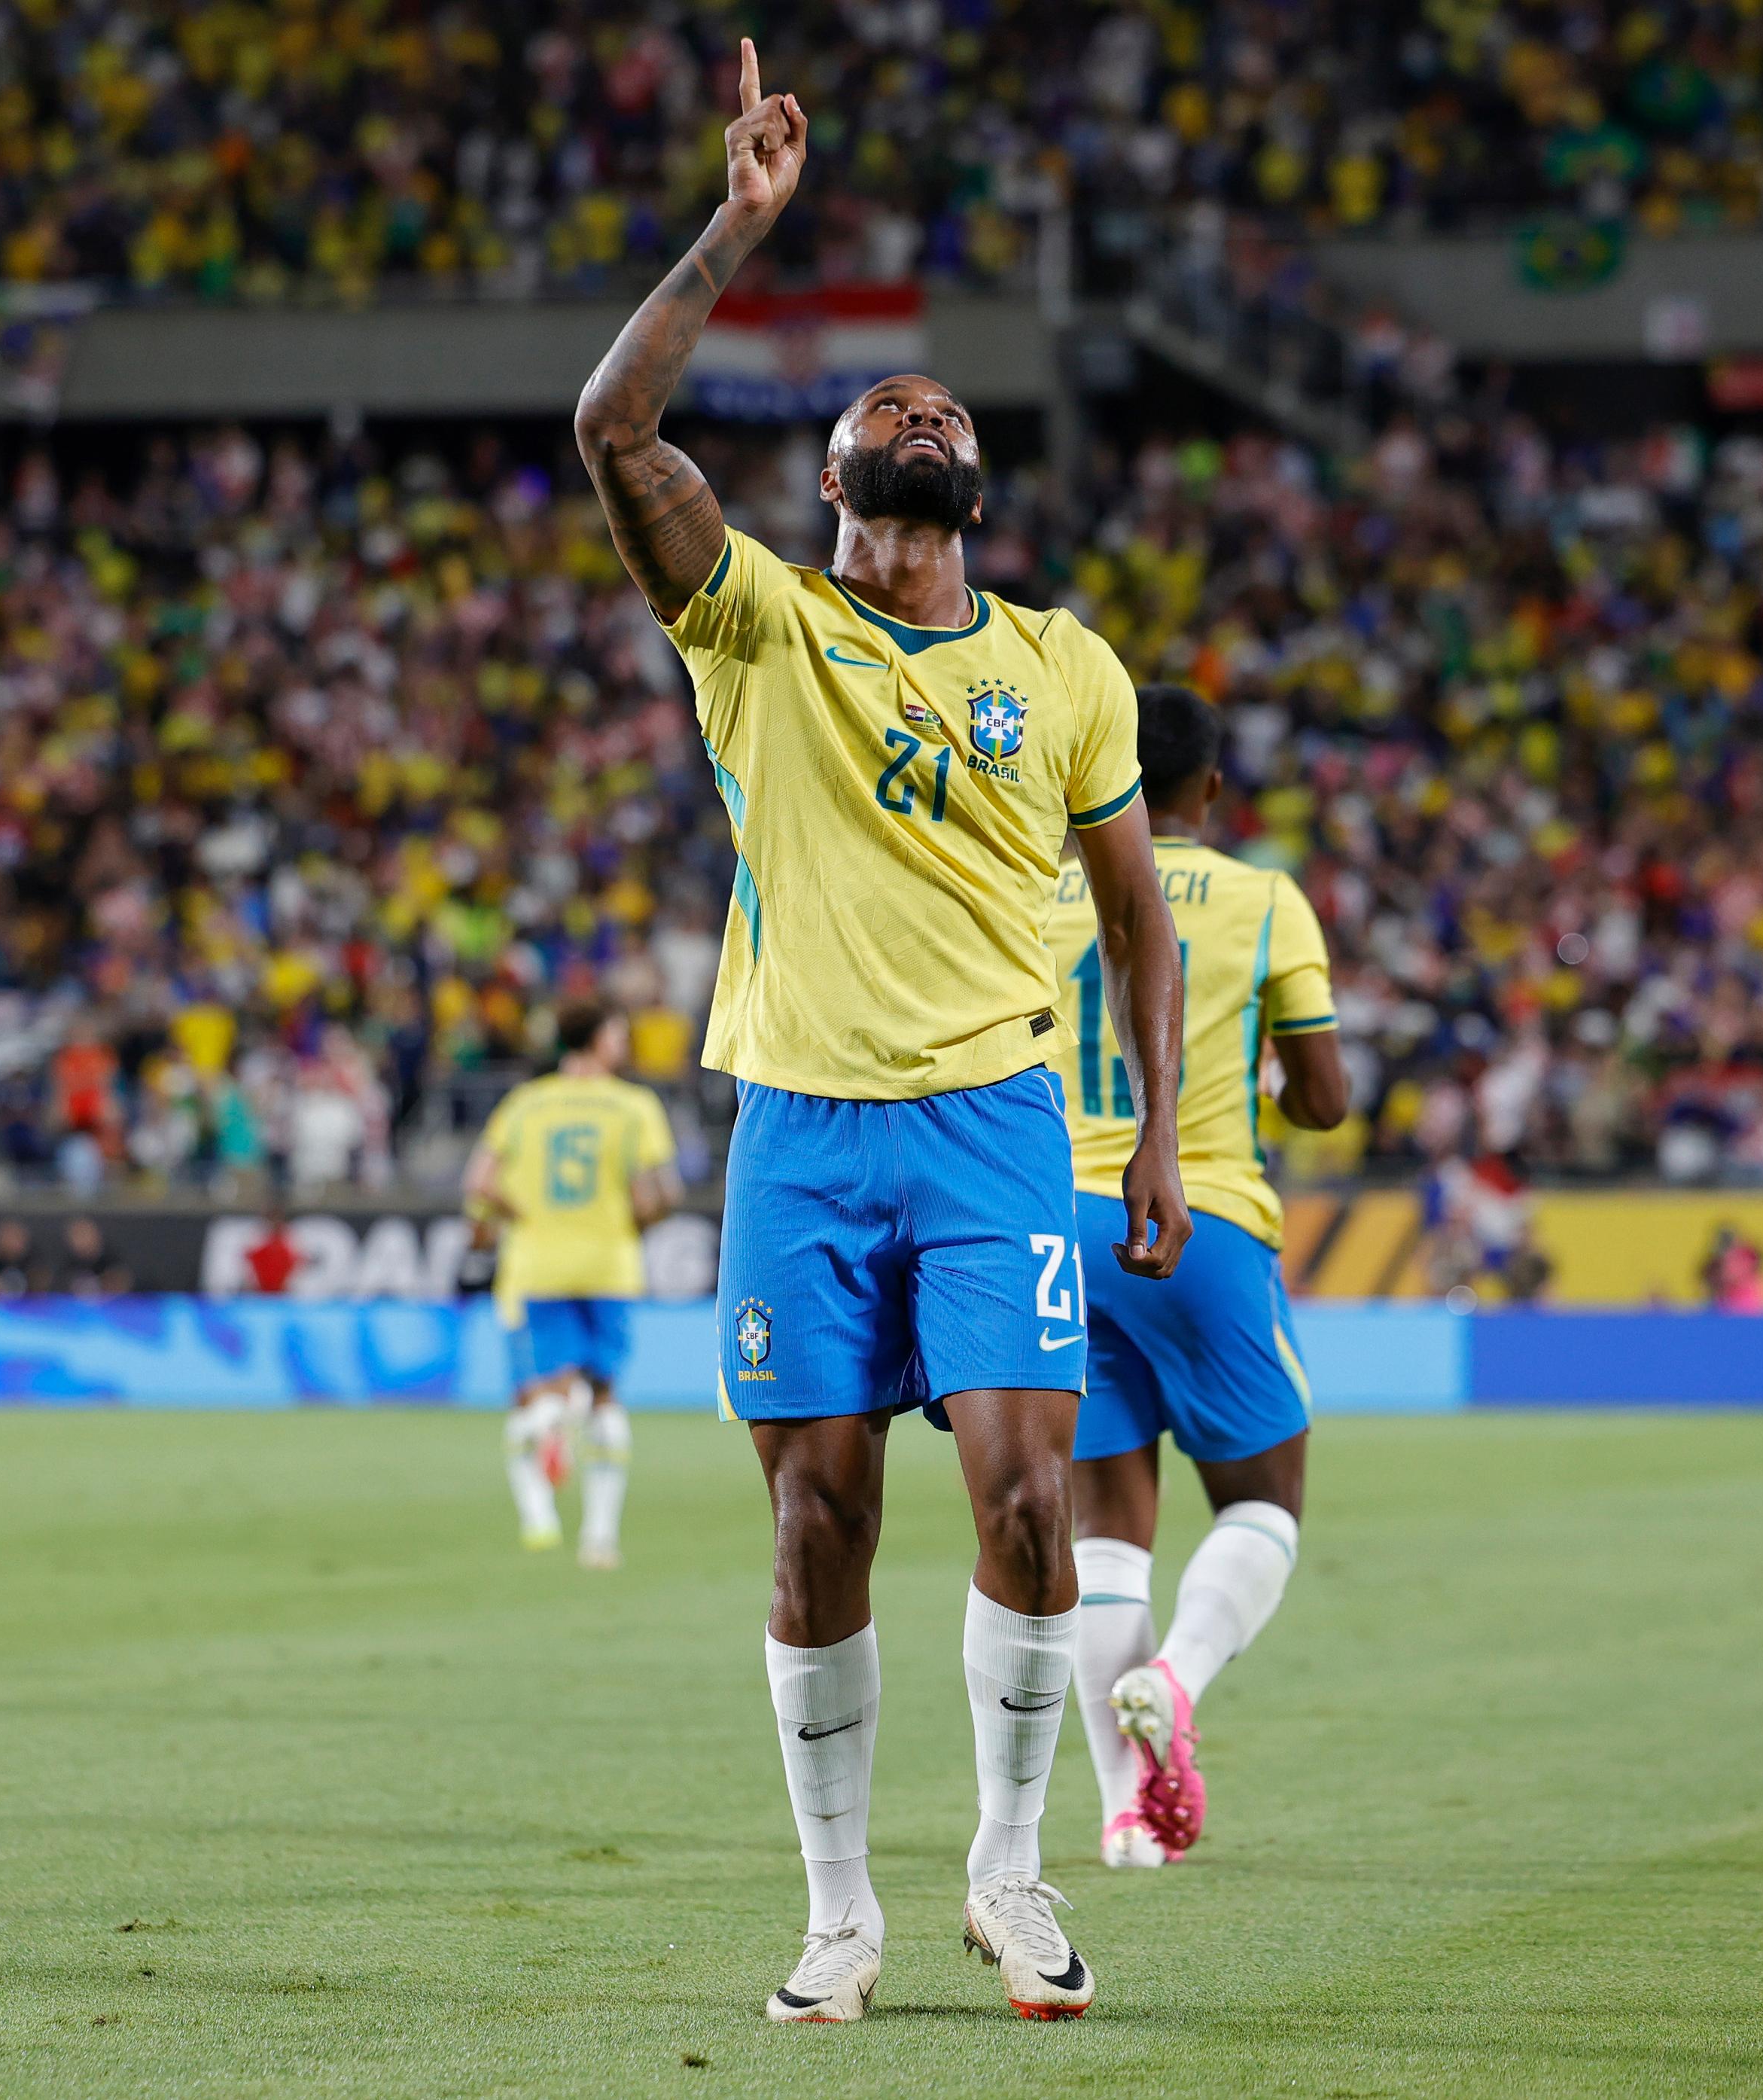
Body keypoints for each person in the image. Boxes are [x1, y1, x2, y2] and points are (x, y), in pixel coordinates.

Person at [574, 38, 1192, 2026]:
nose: (919, 411)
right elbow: (611, 421)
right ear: (838, 480)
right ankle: (838, 1907)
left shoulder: (1062, 664)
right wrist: (740, 228)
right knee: (815, 1503)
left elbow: (1140, 924)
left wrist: (1159, 1135)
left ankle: (1006, 1874)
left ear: (971, 483)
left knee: (1027, 1490)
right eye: (879, 409)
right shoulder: (762, 628)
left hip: (1000, 1123)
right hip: (804, 1131)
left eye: (946, 406)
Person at [1041, 686, 1346, 1871]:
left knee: (1107, 1536)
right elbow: (1323, 1099)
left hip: (1057, 1228)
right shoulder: (1267, 901)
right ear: (1211, 790)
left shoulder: (1035, 894)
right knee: (1263, 1501)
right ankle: (1180, 1674)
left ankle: (1126, 1818)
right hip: (1198, 1212)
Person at [461, 1001, 680, 1568]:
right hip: (609, 1264)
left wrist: (525, 1214)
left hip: (540, 1265)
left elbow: (480, 1182)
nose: (625, 1041)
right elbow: (661, 1194)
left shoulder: (525, 1104)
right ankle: (600, 1539)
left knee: (546, 1391)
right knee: (605, 1395)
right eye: (618, 1031)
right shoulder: (633, 1106)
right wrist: (638, 1221)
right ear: (600, 1038)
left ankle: (544, 1438)